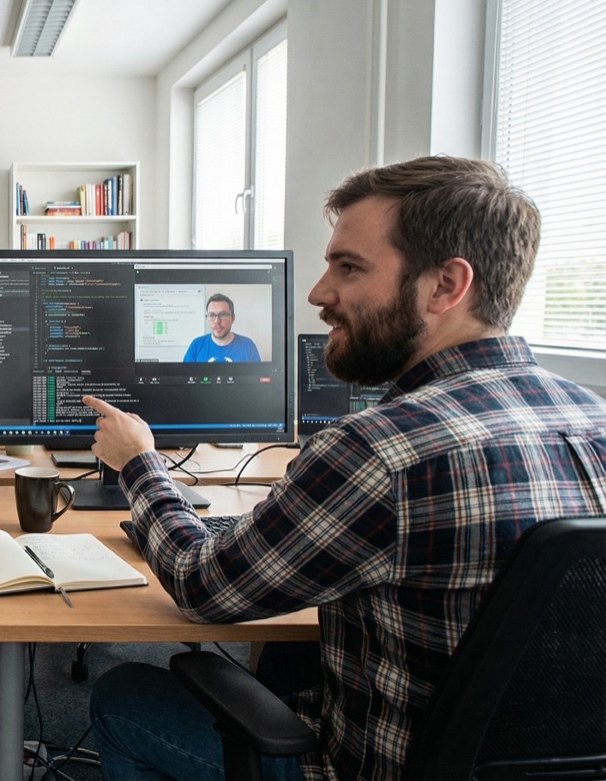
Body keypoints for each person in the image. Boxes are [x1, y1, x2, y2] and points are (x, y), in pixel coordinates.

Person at [86, 155, 606, 780]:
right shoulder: (593, 414)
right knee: (289, 662)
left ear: (446, 285)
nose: (318, 293)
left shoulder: (379, 451)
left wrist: (141, 462)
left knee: (124, 698)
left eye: (349, 267)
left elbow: (202, 588)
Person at [182, 293, 261, 362]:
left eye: (223, 315)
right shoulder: (196, 345)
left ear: (233, 318)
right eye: (212, 315)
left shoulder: (248, 346)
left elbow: (256, 377)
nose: (217, 321)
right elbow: (185, 377)